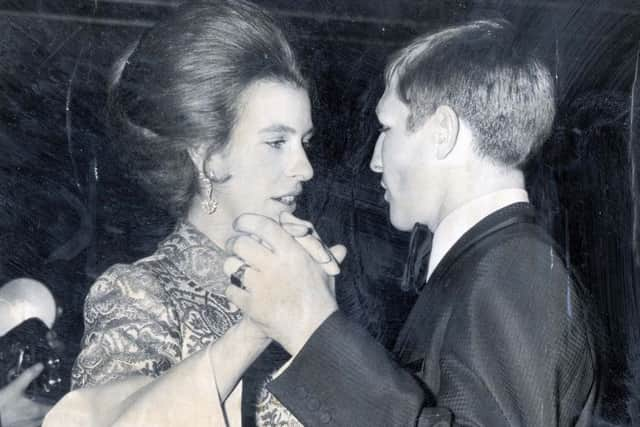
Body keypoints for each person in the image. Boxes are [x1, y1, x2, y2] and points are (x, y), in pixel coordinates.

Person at [224, 19, 598, 426]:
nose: (375, 160)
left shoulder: (514, 268)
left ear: (442, 132)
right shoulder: (491, 263)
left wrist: (312, 327)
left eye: (387, 128)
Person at [44, 1, 318, 425]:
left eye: (305, 141)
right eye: (277, 142)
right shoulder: (139, 293)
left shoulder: (313, 281)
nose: (305, 168)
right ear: (210, 159)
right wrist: (257, 328)